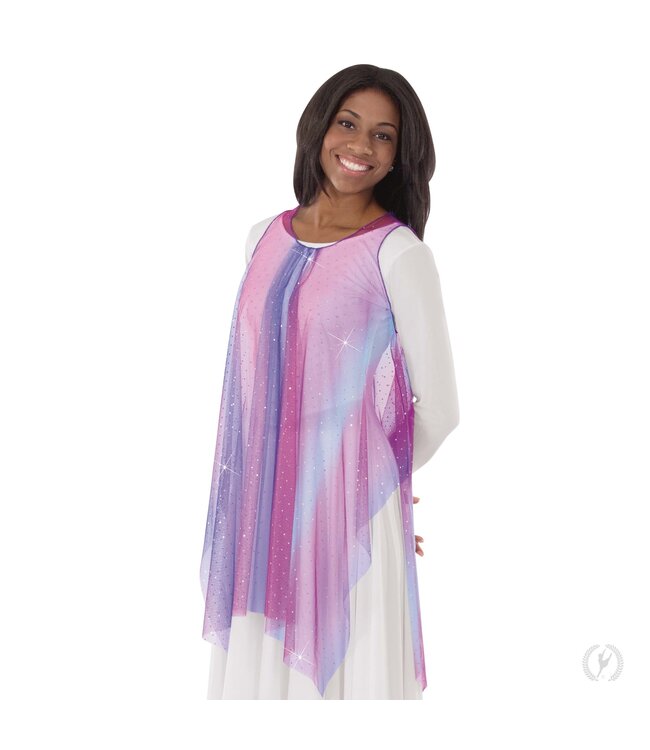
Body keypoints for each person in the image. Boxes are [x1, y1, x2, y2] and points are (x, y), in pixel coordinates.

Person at [199, 63, 460, 700]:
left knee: (348, 687)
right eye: (348, 123)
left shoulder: (399, 254)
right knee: (261, 682)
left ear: (399, 155)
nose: (360, 145)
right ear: (318, 127)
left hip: (347, 518)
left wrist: (370, 485)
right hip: (261, 510)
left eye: (383, 135)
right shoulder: (261, 237)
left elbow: (440, 407)